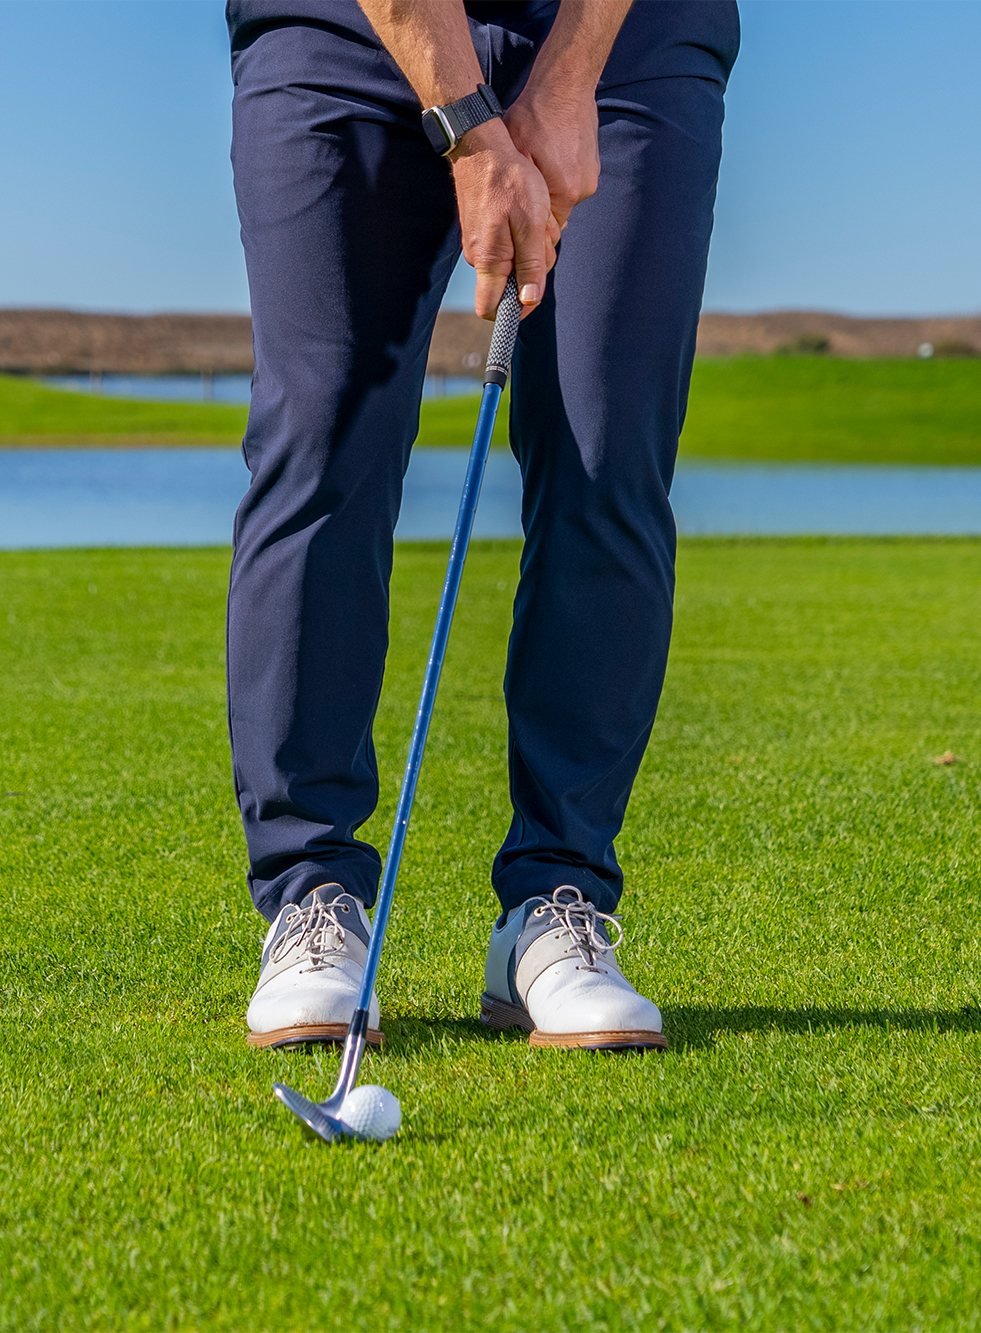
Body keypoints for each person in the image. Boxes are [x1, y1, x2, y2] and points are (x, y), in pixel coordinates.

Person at [229, 0, 737, 1051]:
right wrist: (470, 121)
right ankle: (311, 898)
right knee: (323, 437)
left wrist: (567, 74)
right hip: (346, 30)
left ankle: (556, 907)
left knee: (608, 449)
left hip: (624, 33)